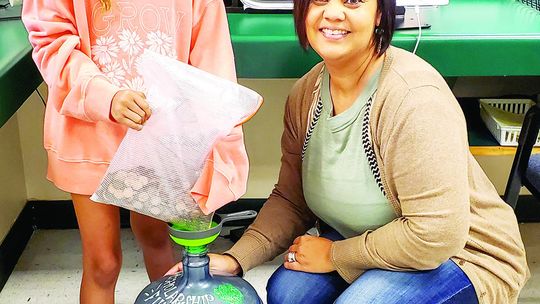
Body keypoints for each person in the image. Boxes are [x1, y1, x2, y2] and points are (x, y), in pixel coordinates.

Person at [166, 0, 530, 303]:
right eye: (319, 1)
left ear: (380, 15)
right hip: (370, 237)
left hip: (459, 256)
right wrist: (235, 260)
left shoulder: (413, 98)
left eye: (353, 1)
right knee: (289, 293)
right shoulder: (306, 94)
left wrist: (334, 256)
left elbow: (435, 234)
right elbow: (291, 201)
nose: (333, 13)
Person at [22, 1, 249, 303]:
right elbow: (51, 41)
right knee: (102, 264)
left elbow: (213, 64)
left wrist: (222, 151)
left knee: (158, 242)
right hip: (88, 135)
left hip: (160, 139)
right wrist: (107, 97)